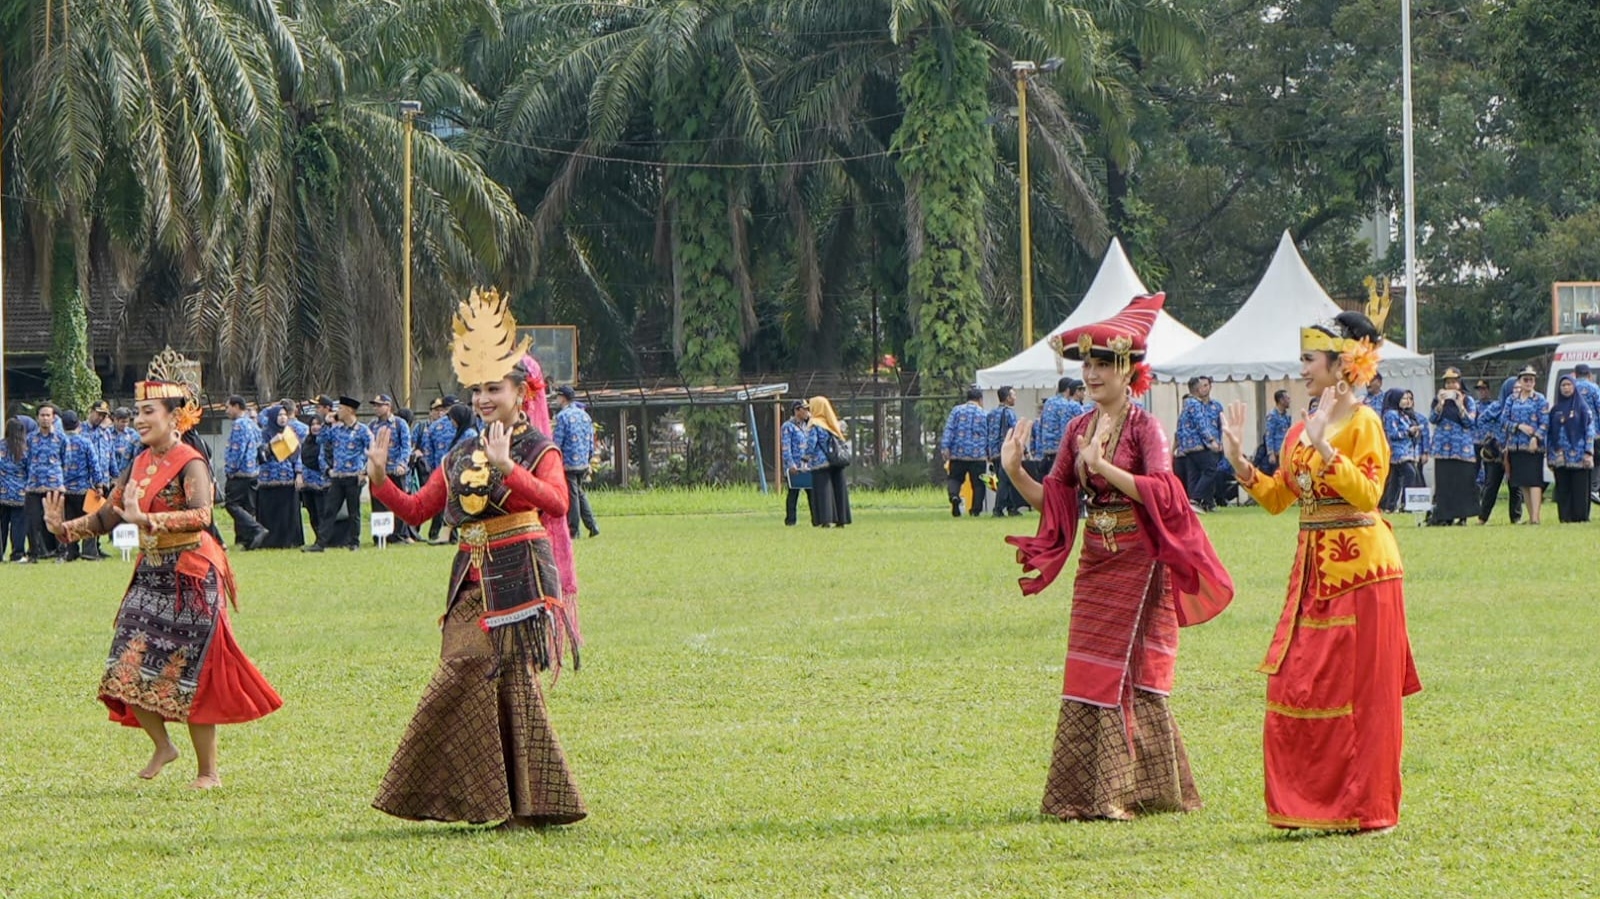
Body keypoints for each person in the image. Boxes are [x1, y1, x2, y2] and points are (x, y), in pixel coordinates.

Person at [1003, 292, 1233, 821]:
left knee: (1130, 669)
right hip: (1096, 561)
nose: (1092, 372)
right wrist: (1016, 471)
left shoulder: (1145, 428)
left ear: (1128, 370)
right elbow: (1057, 501)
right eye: (1087, 362)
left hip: (1140, 559)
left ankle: (1135, 792)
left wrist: (1103, 469)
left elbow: (1164, 491)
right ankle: (1081, 797)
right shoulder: (1075, 428)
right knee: (1088, 669)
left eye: (1103, 363)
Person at [367, 286, 585, 828]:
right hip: (469, 580)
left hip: (520, 580)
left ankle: (499, 802)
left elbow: (557, 503)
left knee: (484, 676)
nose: (485, 398)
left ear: (520, 392)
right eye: (479, 389)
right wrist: (379, 481)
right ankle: (508, 802)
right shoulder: (460, 451)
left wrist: (510, 469)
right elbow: (418, 511)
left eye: (496, 388)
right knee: (483, 676)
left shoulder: (538, 449)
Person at [44, 349, 282, 789]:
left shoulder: (190, 461)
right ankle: (163, 745)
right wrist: (64, 529)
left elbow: (201, 515)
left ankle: (208, 771)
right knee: (125, 663)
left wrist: (149, 520)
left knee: (195, 671)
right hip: (151, 572)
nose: (138, 419)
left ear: (175, 417)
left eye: (148, 411)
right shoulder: (137, 462)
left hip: (192, 574)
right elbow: (109, 515)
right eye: (137, 412)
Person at [1222, 310, 1421, 833]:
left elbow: (1369, 494)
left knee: (1363, 695)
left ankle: (1367, 806)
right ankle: (1311, 803)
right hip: (1313, 573)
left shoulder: (1364, 423)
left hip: (1364, 573)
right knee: (1296, 683)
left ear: (1339, 364)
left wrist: (1327, 445)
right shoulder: (1296, 431)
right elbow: (1279, 497)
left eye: (1309, 360)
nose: (1303, 369)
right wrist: (1240, 463)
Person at [305, 397, 371, 552]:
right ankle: (321, 543)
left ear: (350, 410)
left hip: (354, 476)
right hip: (338, 477)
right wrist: (327, 424)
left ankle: (354, 542)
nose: (338, 411)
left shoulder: (362, 430)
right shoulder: (336, 430)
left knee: (353, 511)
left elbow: (372, 451)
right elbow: (320, 440)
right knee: (330, 510)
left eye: (341, 408)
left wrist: (365, 471)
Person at [1428, 367, 1478, 525]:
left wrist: (1459, 404)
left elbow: (1470, 422)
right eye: (1448, 382)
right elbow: (1433, 419)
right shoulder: (1438, 400)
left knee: (1462, 482)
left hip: (1461, 447)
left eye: (1454, 382)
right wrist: (1441, 404)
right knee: (1445, 483)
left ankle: (1462, 516)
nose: (1451, 386)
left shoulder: (1468, 400)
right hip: (1443, 447)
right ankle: (1445, 516)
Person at [1502, 366, 1549, 525]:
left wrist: (1536, 437)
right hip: (1516, 446)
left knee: (1534, 481)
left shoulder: (1540, 399)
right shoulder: (1512, 399)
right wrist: (1518, 426)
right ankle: (1530, 516)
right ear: (1519, 381)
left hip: (1533, 447)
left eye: (1531, 379)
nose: (1529, 382)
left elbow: (1545, 422)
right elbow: (1504, 421)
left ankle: (1536, 517)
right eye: (1525, 379)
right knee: (1523, 483)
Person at [367, 394, 416, 545]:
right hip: (378, 471)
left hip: (395, 470)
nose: (376, 408)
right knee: (378, 502)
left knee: (399, 502)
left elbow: (406, 446)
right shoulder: (372, 425)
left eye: (379, 405)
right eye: (375, 405)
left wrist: (402, 464)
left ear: (388, 406)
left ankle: (398, 535)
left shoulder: (399, 424)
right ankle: (380, 536)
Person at [552, 385, 600, 539]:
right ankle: (592, 526)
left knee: (573, 495)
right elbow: (591, 440)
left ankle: (574, 530)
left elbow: (557, 442)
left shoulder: (562, 416)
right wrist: (588, 457)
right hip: (583, 461)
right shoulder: (584, 415)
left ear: (563, 398)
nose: (557, 399)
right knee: (579, 493)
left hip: (568, 462)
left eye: (558, 396)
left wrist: (553, 459)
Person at [1546, 374, 1594, 523]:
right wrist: (1550, 455)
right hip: (1560, 455)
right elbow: (1549, 433)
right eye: (1563, 386)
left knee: (1580, 488)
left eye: (1569, 385)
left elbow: (1590, 430)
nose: (1566, 388)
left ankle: (1580, 516)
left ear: (1574, 387)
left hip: (1580, 456)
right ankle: (1565, 517)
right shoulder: (1555, 409)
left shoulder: (1583, 408)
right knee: (1563, 487)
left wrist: (1588, 452)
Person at [223, 396, 269, 550]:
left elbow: (237, 450)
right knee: (247, 507)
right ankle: (246, 541)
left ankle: (256, 529)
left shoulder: (239, 425)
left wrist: (231, 469)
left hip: (240, 473)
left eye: (228, 407)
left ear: (236, 406)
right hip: (253, 471)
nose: (226, 411)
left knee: (232, 504)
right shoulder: (252, 424)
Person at [257, 405, 305, 548]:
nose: (283, 418)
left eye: (285, 415)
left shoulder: (290, 433)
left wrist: (299, 474)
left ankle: (290, 541)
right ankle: (270, 541)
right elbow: (259, 455)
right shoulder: (264, 434)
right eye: (279, 415)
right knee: (270, 512)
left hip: (288, 479)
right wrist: (271, 443)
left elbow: (297, 456)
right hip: (268, 480)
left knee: (288, 512)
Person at [22, 403, 66, 563]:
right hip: (34, 486)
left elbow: (65, 460)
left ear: (54, 418)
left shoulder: (61, 438)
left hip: (54, 485)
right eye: (42, 415)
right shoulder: (30, 438)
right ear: (37, 418)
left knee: (57, 520)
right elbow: (26, 461)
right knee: (33, 521)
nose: (45, 418)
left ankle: (62, 552)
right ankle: (34, 553)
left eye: (48, 415)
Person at [59, 410, 104, 561]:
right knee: (89, 520)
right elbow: (94, 464)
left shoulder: (58, 442)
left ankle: (71, 551)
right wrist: (99, 484)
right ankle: (89, 552)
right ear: (78, 424)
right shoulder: (85, 442)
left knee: (69, 521)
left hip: (64, 490)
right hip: (83, 489)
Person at [1475, 378, 1521, 524]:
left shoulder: (1522, 406)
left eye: (1519, 388)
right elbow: (1481, 421)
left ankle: (1516, 517)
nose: (1517, 391)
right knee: (1491, 485)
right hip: (1496, 452)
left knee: (1515, 486)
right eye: (1514, 388)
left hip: (1514, 450)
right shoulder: (1497, 406)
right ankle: (1483, 517)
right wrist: (1490, 438)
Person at [1174, 375, 1223, 512]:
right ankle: (1196, 499)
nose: (1205, 389)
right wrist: (1211, 440)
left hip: (1187, 447)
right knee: (1210, 469)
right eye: (1202, 387)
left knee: (1194, 474)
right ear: (1197, 389)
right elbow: (1201, 424)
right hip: (1197, 445)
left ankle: (1204, 503)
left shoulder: (1186, 405)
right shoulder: (1196, 404)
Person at [940, 388, 989, 517]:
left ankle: (954, 496)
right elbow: (988, 434)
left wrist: (945, 447)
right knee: (978, 484)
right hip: (978, 455)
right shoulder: (984, 414)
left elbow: (949, 429)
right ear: (980, 399)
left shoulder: (956, 411)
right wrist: (989, 452)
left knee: (955, 478)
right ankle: (975, 510)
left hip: (958, 453)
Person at [807, 396, 852, 528]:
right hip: (836, 461)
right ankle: (842, 519)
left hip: (821, 462)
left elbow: (811, 443)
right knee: (839, 489)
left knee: (823, 491)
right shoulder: (832, 422)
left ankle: (825, 519)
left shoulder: (815, 423)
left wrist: (806, 457)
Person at [425, 395, 463, 542]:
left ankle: (439, 533)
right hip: (451, 469)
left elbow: (428, 451)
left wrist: (430, 468)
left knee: (443, 503)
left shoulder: (435, 426)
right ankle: (447, 534)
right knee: (450, 502)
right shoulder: (459, 423)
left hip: (443, 469)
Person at [1380, 389, 1424, 513]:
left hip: (1407, 450)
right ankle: (1406, 503)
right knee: (1410, 473)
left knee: (1395, 479)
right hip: (1398, 451)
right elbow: (1392, 433)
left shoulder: (1403, 414)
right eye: (1403, 398)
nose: (1406, 401)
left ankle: (1390, 505)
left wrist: (1414, 431)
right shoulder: (1391, 414)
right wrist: (1408, 432)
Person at [1031, 377, 1084, 479]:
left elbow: (1040, 426)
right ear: (1069, 390)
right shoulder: (1067, 405)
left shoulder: (1048, 402)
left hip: (1045, 451)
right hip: (1059, 452)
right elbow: (1066, 428)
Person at [987, 387, 1023, 517]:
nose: (1015, 398)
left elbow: (988, 432)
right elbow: (1015, 432)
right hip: (1006, 450)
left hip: (994, 451)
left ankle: (1011, 507)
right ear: (1008, 398)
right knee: (1005, 480)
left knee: (1004, 479)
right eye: (1013, 395)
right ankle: (998, 509)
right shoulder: (1009, 413)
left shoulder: (991, 413)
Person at [781, 400, 814, 526]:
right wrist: (790, 464)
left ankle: (815, 519)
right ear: (796, 410)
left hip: (806, 466)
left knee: (811, 493)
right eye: (804, 409)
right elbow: (786, 447)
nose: (806, 412)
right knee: (793, 493)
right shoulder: (788, 427)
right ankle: (791, 520)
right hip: (794, 466)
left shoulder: (807, 426)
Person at [300, 410, 330, 543]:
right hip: (308, 484)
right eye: (313, 424)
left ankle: (324, 539)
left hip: (322, 483)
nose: (315, 427)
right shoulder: (306, 442)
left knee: (322, 512)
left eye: (318, 424)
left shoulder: (326, 442)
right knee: (312, 514)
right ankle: (318, 537)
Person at [1573, 364, 1600, 503]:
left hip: (1574, 434)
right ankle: (1594, 489)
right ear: (1589, 374)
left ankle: (1582, 490)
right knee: (1596, 462)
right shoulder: (1594, 388)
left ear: (1575, 374)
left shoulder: (1571, 387)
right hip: (1594, 433)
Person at [0, 418, 26, 561]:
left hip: (2, 492)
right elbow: (30, 470)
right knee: (18, 525)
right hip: (19, 494)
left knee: (2, 525)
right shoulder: (24, 450)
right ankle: (17, 554)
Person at [1256, 389, 1294, 476]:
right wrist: (1271, 453)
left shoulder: (1287, 417)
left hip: (1284, 453)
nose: (1289, 401)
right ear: (1281, 400)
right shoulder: (1272, 416)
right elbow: (1269, 435)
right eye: (1287, 398)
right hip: (1276, 454)